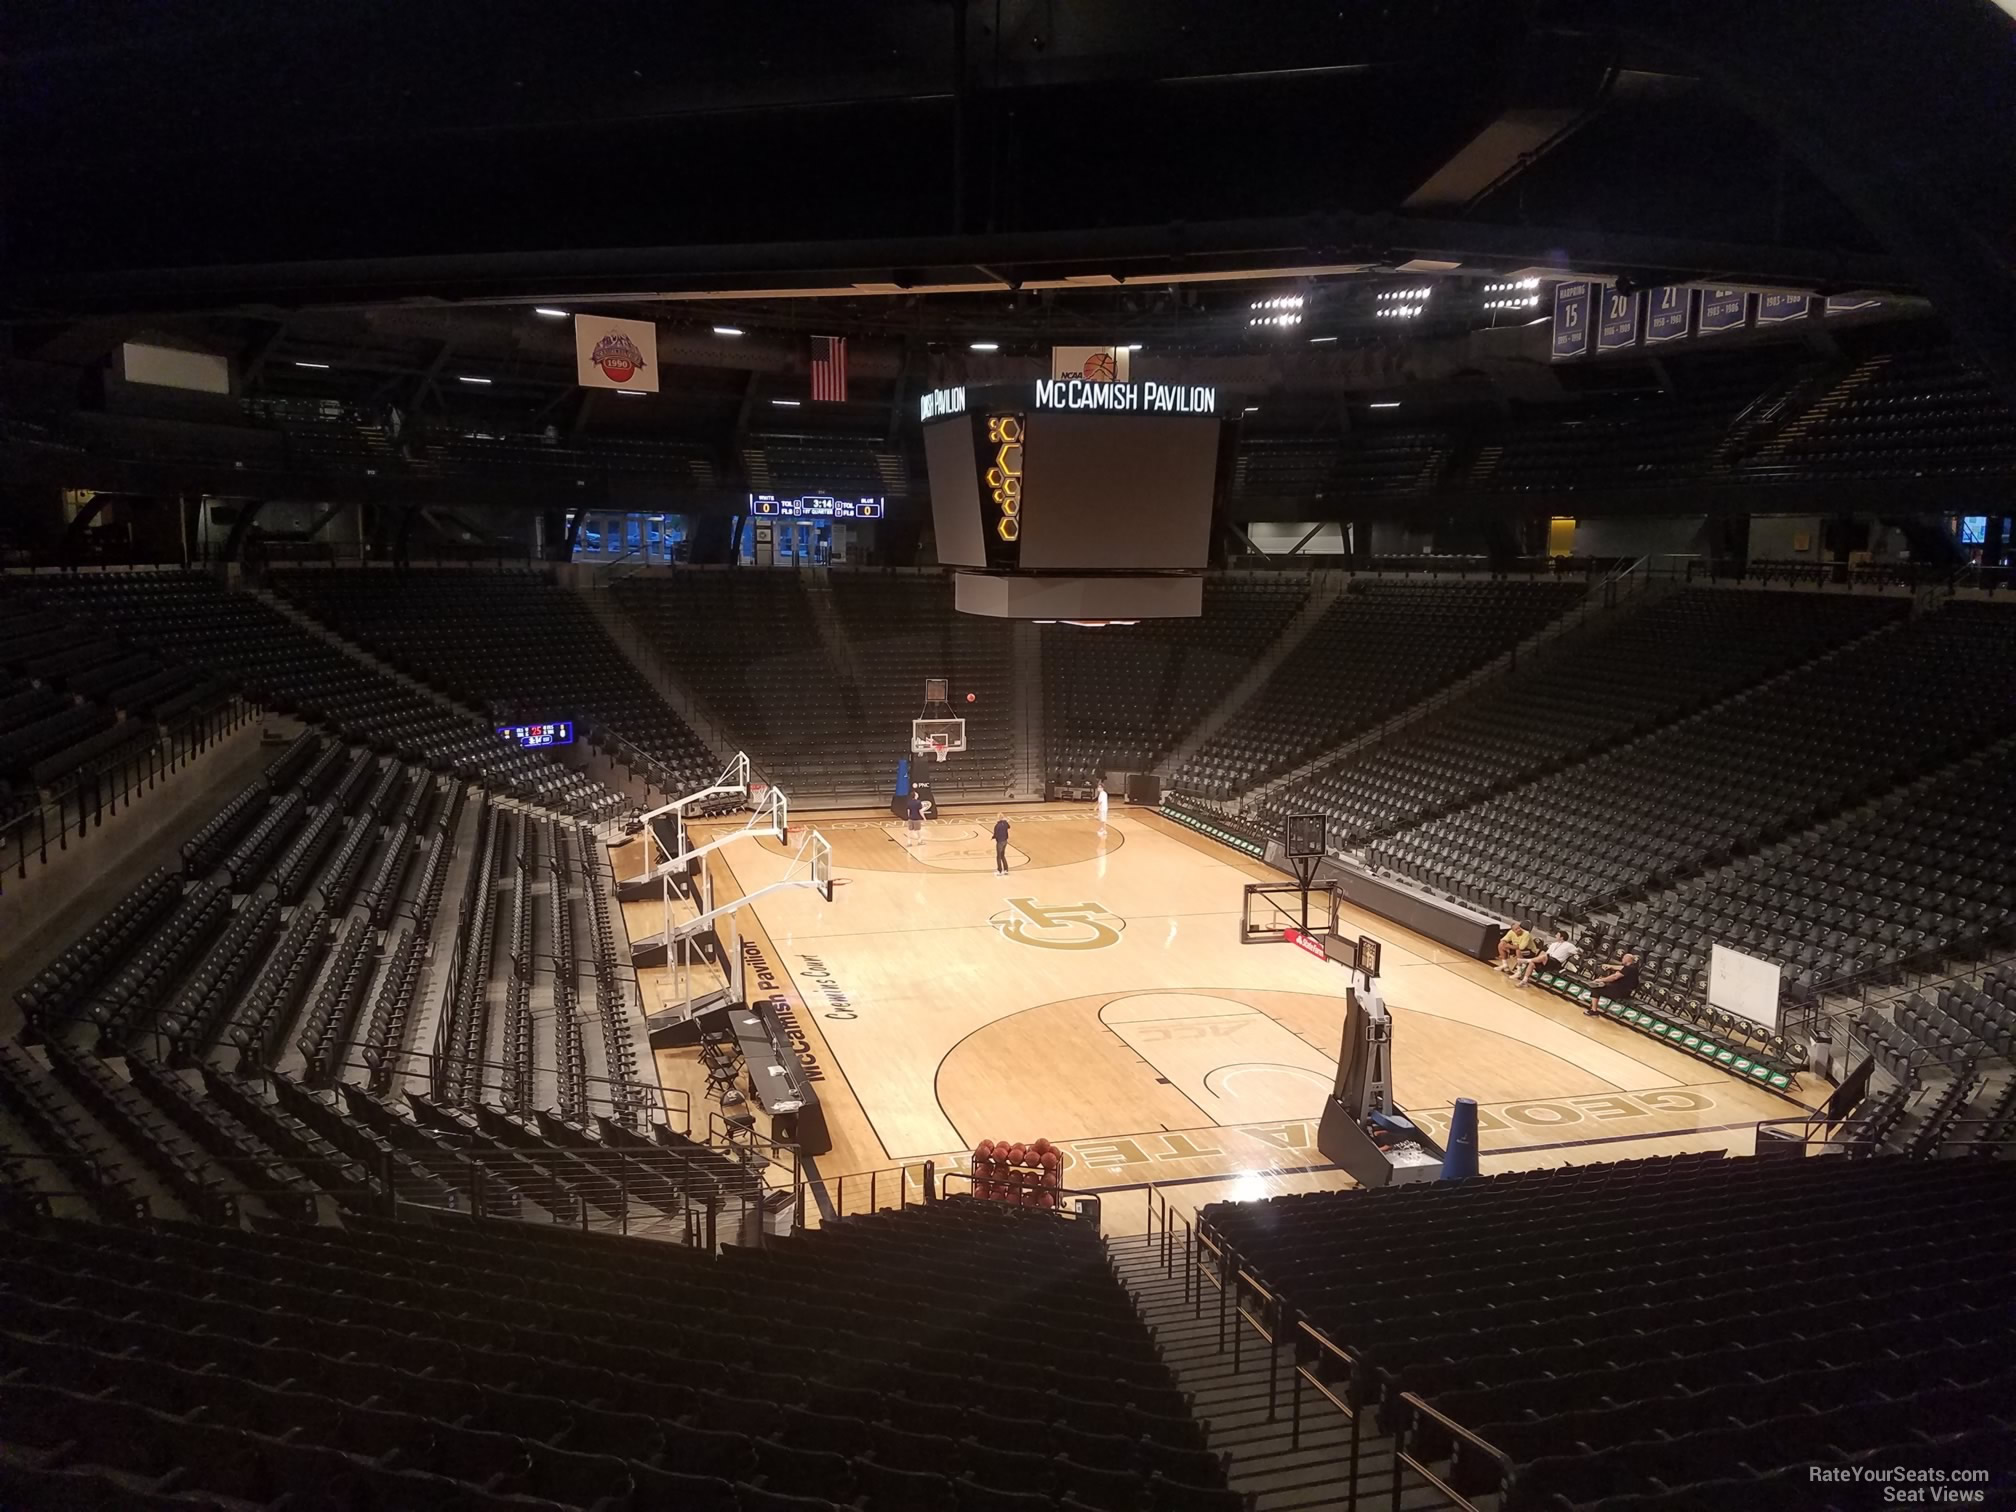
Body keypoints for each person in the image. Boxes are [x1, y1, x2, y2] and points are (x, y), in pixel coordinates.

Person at [1514, 932, 1578, 987]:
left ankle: (1525, 960)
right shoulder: (1553, 944)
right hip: (1547, 960)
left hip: (1556, 963)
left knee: (1544, 957)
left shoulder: (1569, 945)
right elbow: (1548, 953)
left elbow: (1577, 951)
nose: (1556, 935)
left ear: (1562, 937)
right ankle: (1524, 981)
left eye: (1557, 935)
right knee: (1532, 963)